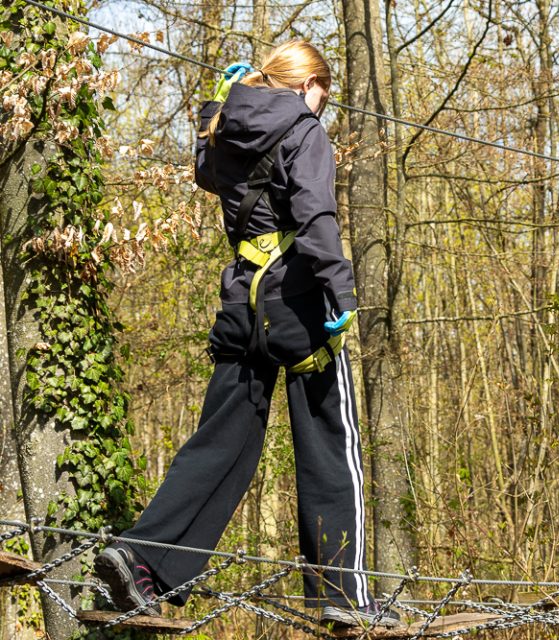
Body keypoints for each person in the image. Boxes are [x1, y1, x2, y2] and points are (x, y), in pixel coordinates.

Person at [93, 40, 399, 628]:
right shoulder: (305, 131)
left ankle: (141, 556)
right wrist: (342, 290)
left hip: (241, 306)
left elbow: (207, 174)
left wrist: (213, 105)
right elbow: (316, 216)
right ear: (307, 82)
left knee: (221, 444)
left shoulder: (226, 125)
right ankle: (344, 594)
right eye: (322, 96)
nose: (322, 109)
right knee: (330, 448)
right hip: (300, 308)